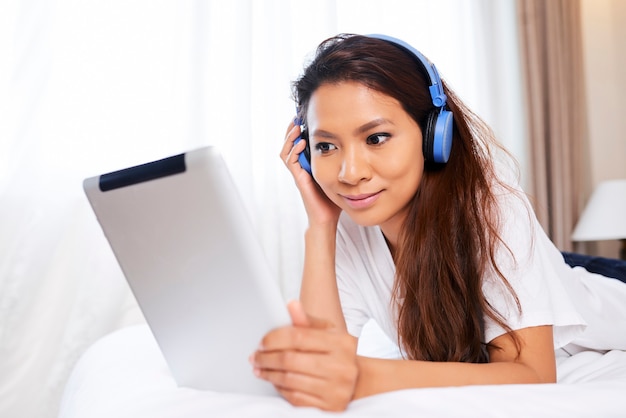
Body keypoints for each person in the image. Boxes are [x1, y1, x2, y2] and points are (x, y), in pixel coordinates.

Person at [249, 33, 626, 411]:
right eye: (326, 146)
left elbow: (532, 374)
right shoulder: (348, 226)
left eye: (376, 138)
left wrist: (365, 377)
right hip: (538, 268)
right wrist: (320, 225)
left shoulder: (493, 206)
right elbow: (324, 361)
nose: (350, 173)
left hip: (601, 295)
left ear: (434, 136)